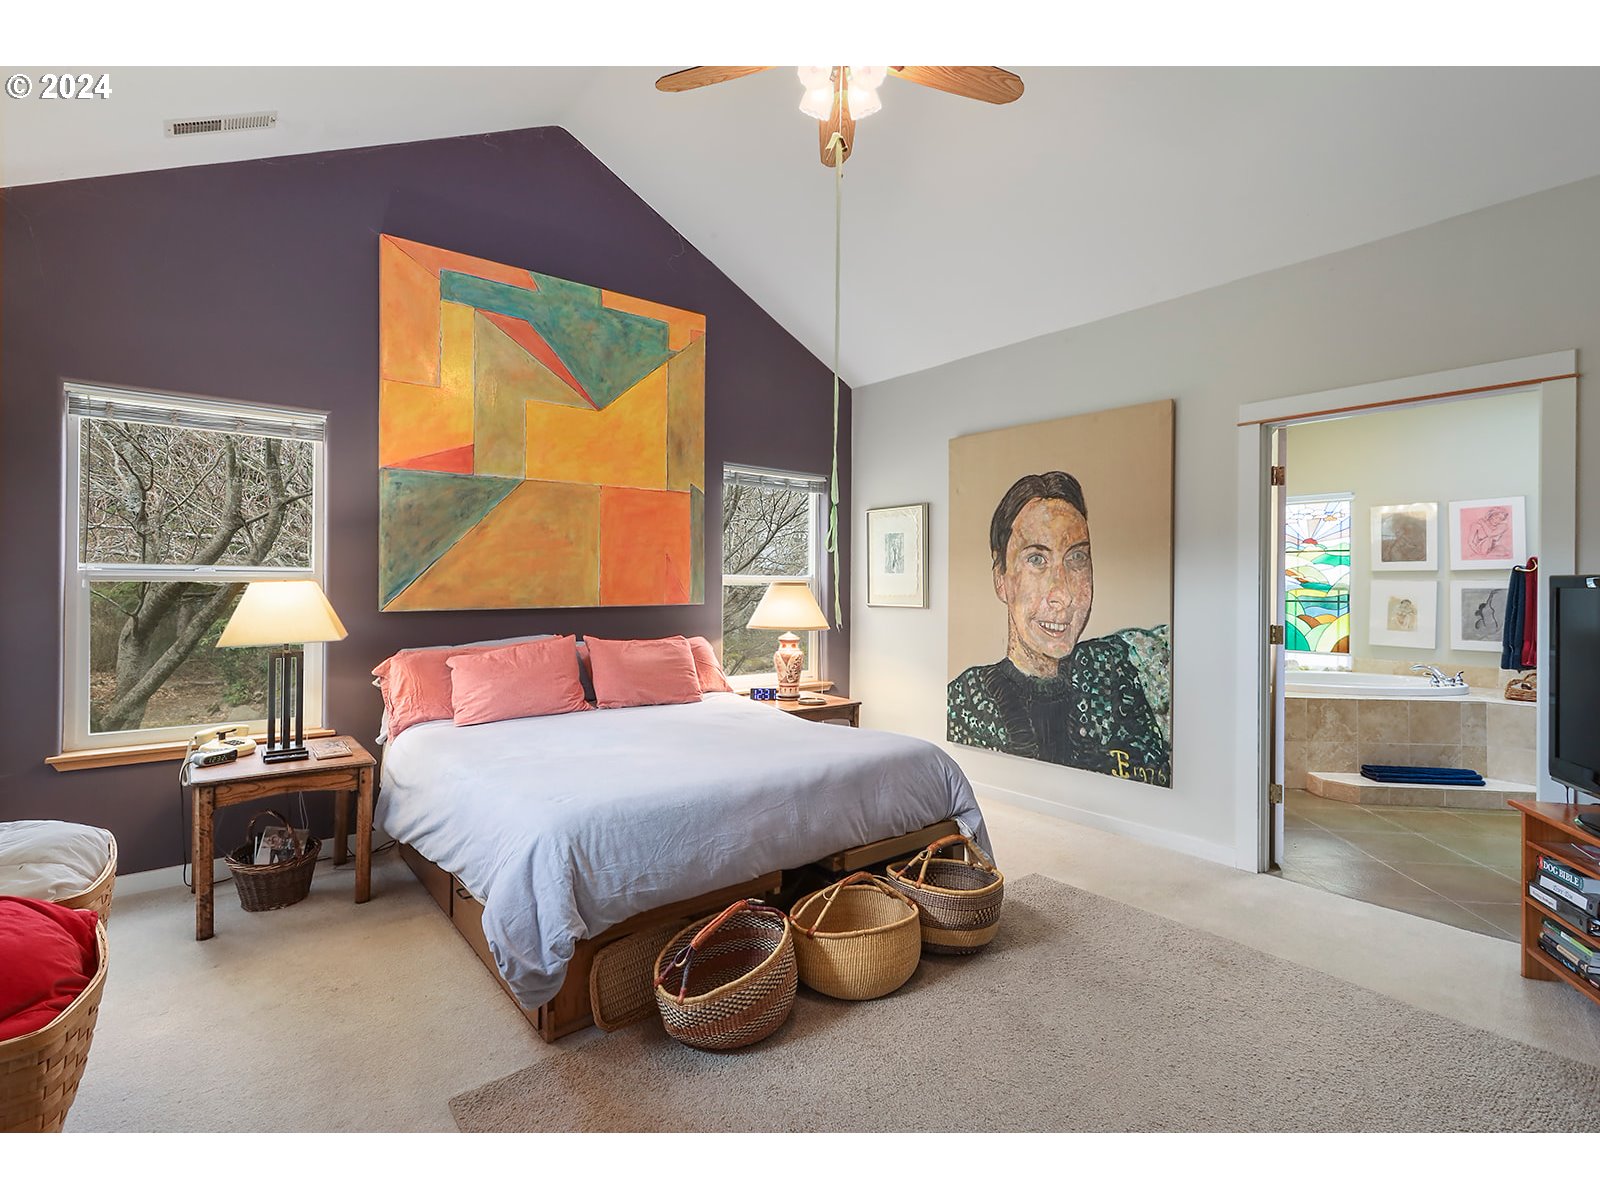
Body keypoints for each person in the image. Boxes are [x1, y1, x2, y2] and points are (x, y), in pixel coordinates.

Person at [947, 472, 1171, 786]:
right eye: (1037, 559)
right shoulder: (965, 702)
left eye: (1077, 557)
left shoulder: (1129, 664)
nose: (1062, 594)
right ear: (1001, 577)